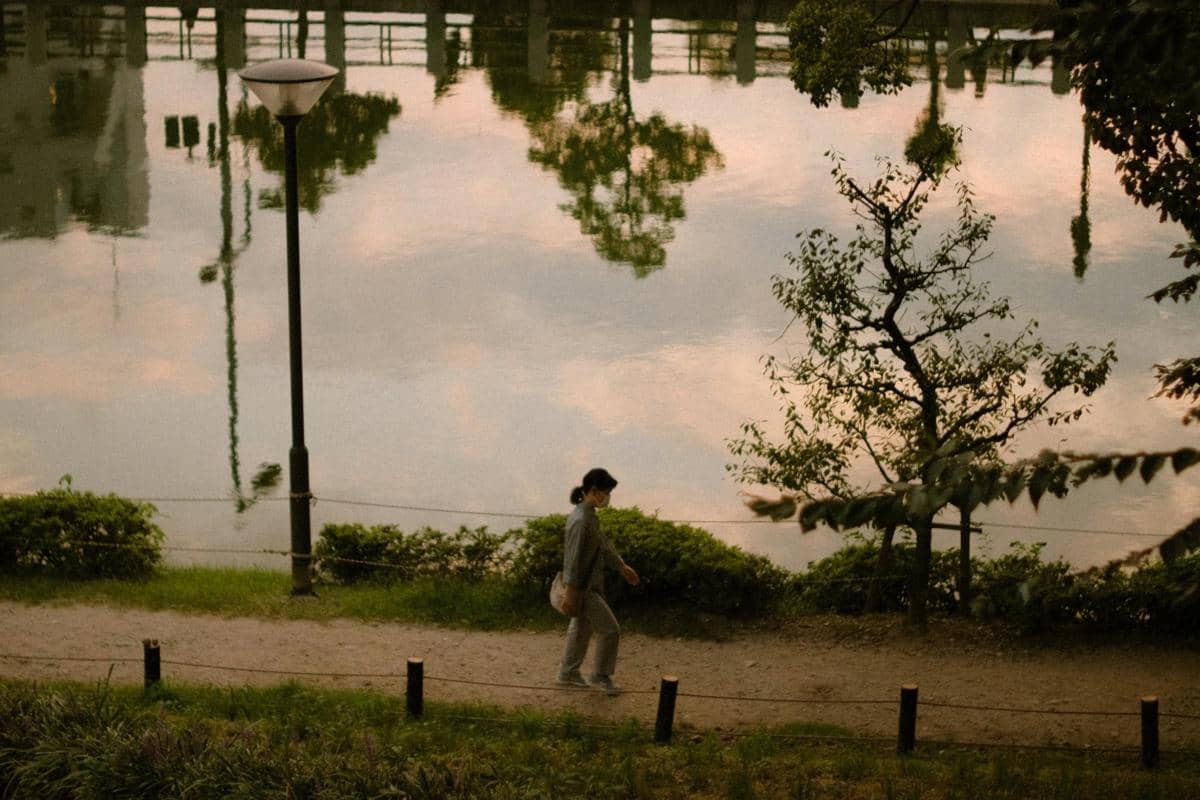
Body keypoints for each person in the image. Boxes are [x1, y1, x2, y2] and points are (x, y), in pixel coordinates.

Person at [556, 467, 639, 695]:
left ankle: (567, 673)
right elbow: (573, 560)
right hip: (583, 588)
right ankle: (600, 677)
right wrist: (572, 592)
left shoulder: (588, 516)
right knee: (610, 629)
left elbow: (602, 544)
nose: (607, 497)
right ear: (593, 491)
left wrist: (621, 566)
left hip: (586, 585)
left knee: (581, 628)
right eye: (606, 492)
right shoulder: (581, 521)